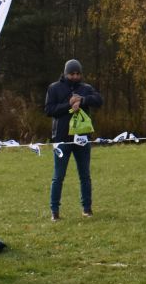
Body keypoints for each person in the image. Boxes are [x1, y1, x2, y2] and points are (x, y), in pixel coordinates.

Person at [44, 59, 102, 220]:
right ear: (65, 73)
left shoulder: (86, 88)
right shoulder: (54, 88)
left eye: (78, 74)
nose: (75, 77)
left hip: (82, 138)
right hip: (61, 139)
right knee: (58, 176)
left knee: (85, 175)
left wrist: (82, 100)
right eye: (72, 74)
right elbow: (49, 110)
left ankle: (87, 208)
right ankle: (54, 211)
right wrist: (69, 105)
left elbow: (99, 100)